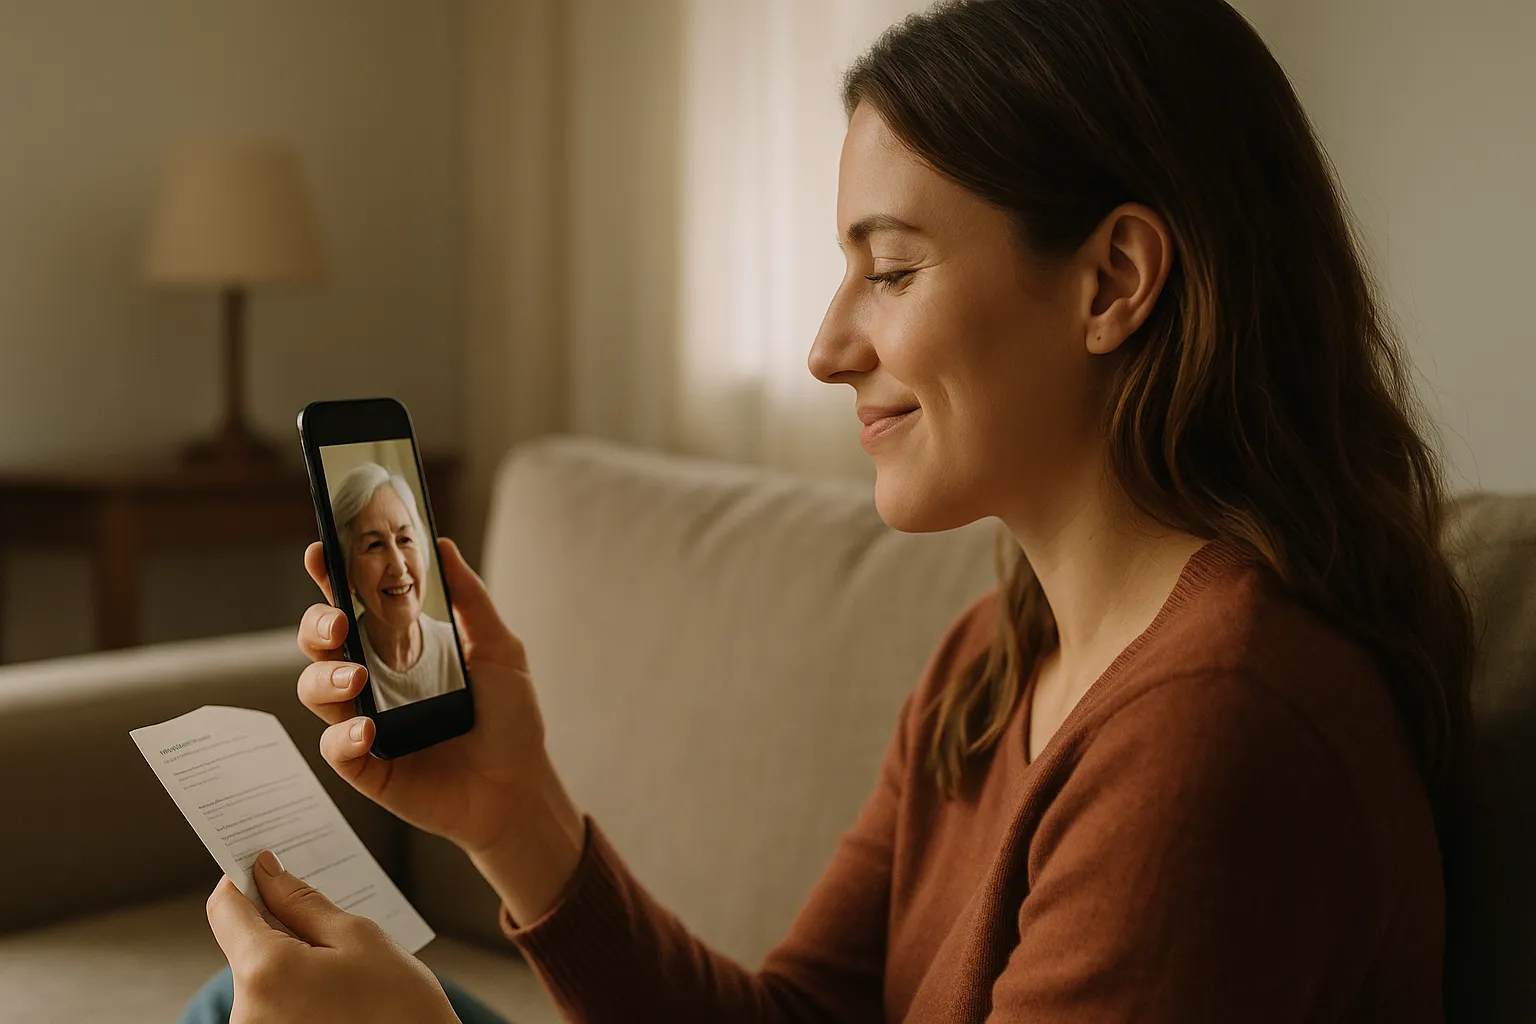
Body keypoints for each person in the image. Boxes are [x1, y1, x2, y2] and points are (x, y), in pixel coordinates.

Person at [181, 0, 1474, 1020]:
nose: (826, 347)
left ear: (1113, 281)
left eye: (892, 270)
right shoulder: (993, 661)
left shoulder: (1217, 729)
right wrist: (513, 814)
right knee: (240, 995)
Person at [329, 461, 464, 711]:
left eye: (405, 539)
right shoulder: (344, 668)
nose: (399, 568)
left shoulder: (460, 648)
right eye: (375, 545)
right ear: (347, 571)